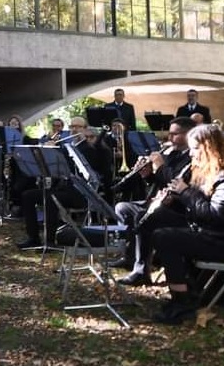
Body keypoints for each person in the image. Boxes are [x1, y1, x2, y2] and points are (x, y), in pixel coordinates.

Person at [149, 124, 224, 324]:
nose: (192, 154)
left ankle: (181, 301)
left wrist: (184, 192)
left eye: (196, 148)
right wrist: (175, 198)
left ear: (209, 148)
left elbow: (216, 215)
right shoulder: (210, 172)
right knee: (160, 220)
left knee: (164, 237)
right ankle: (194, 288)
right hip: (216, 234)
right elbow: (201, 207)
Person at [113, 117, 195, 286]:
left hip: (178, 207)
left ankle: (142, 270)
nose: (170, 138)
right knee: (123, 208)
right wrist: (147, 175)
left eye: (175, 134)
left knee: (145, 215)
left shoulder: (194, 157)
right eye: (169, 134)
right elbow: (160, 182)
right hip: (158, 200)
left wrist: (160, 166)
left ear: (189, 135)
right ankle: (131, 256)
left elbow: (177, 182)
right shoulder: (172, 152)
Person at [16, 117, 111, 248]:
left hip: (80, 193)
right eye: (72, 126)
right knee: (28, 196)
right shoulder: (68, 146)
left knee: (51, 199)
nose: (74, 129)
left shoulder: (89, 148)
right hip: (64, 189)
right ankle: (33, 238)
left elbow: (73, 167)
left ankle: (50, 241)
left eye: (78, 127)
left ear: (85, 129)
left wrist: (54, 151)